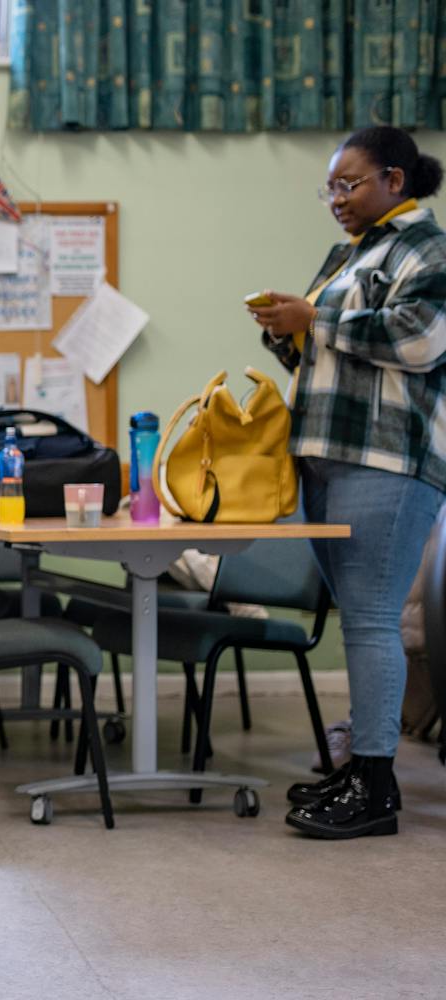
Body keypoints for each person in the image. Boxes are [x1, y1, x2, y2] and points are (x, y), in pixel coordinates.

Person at [247, 126, 446, 840]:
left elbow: (421, 340)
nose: (335, 198)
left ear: (395, 179)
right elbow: (332, 352)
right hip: (327, 454)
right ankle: (358, 769)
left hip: (387, 460)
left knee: (370, 617)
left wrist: (318, 318)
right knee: (356, 615)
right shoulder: (351, 254)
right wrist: (287, 330)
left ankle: (375, 783)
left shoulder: (427, 247)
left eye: (349, 183)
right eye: (329, 186)